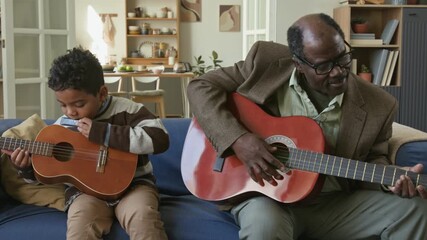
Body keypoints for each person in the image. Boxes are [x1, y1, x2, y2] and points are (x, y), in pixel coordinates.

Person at [187, 13, 427, 239]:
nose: (338, 72)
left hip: (334, 204)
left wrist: (391, 180)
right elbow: (200, 87)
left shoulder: (380, 104)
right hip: (268, 200)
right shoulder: (265, 61)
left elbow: (375, 159)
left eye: (343, 58)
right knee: (265, 226)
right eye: (323, 66)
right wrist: (238, 140)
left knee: (416, 209)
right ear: (298, 64)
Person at [3, 47, 169, 240]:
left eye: (79, 104)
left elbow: (160, 139)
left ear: (102, 93)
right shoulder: (61, 127)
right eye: (63, 105)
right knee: (80, 224)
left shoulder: (127, 110)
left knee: (143, 217)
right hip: (86, 194)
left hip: (134, 186)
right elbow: (43, 177)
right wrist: (25, 168)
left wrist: (103, 132)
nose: (70, 112)